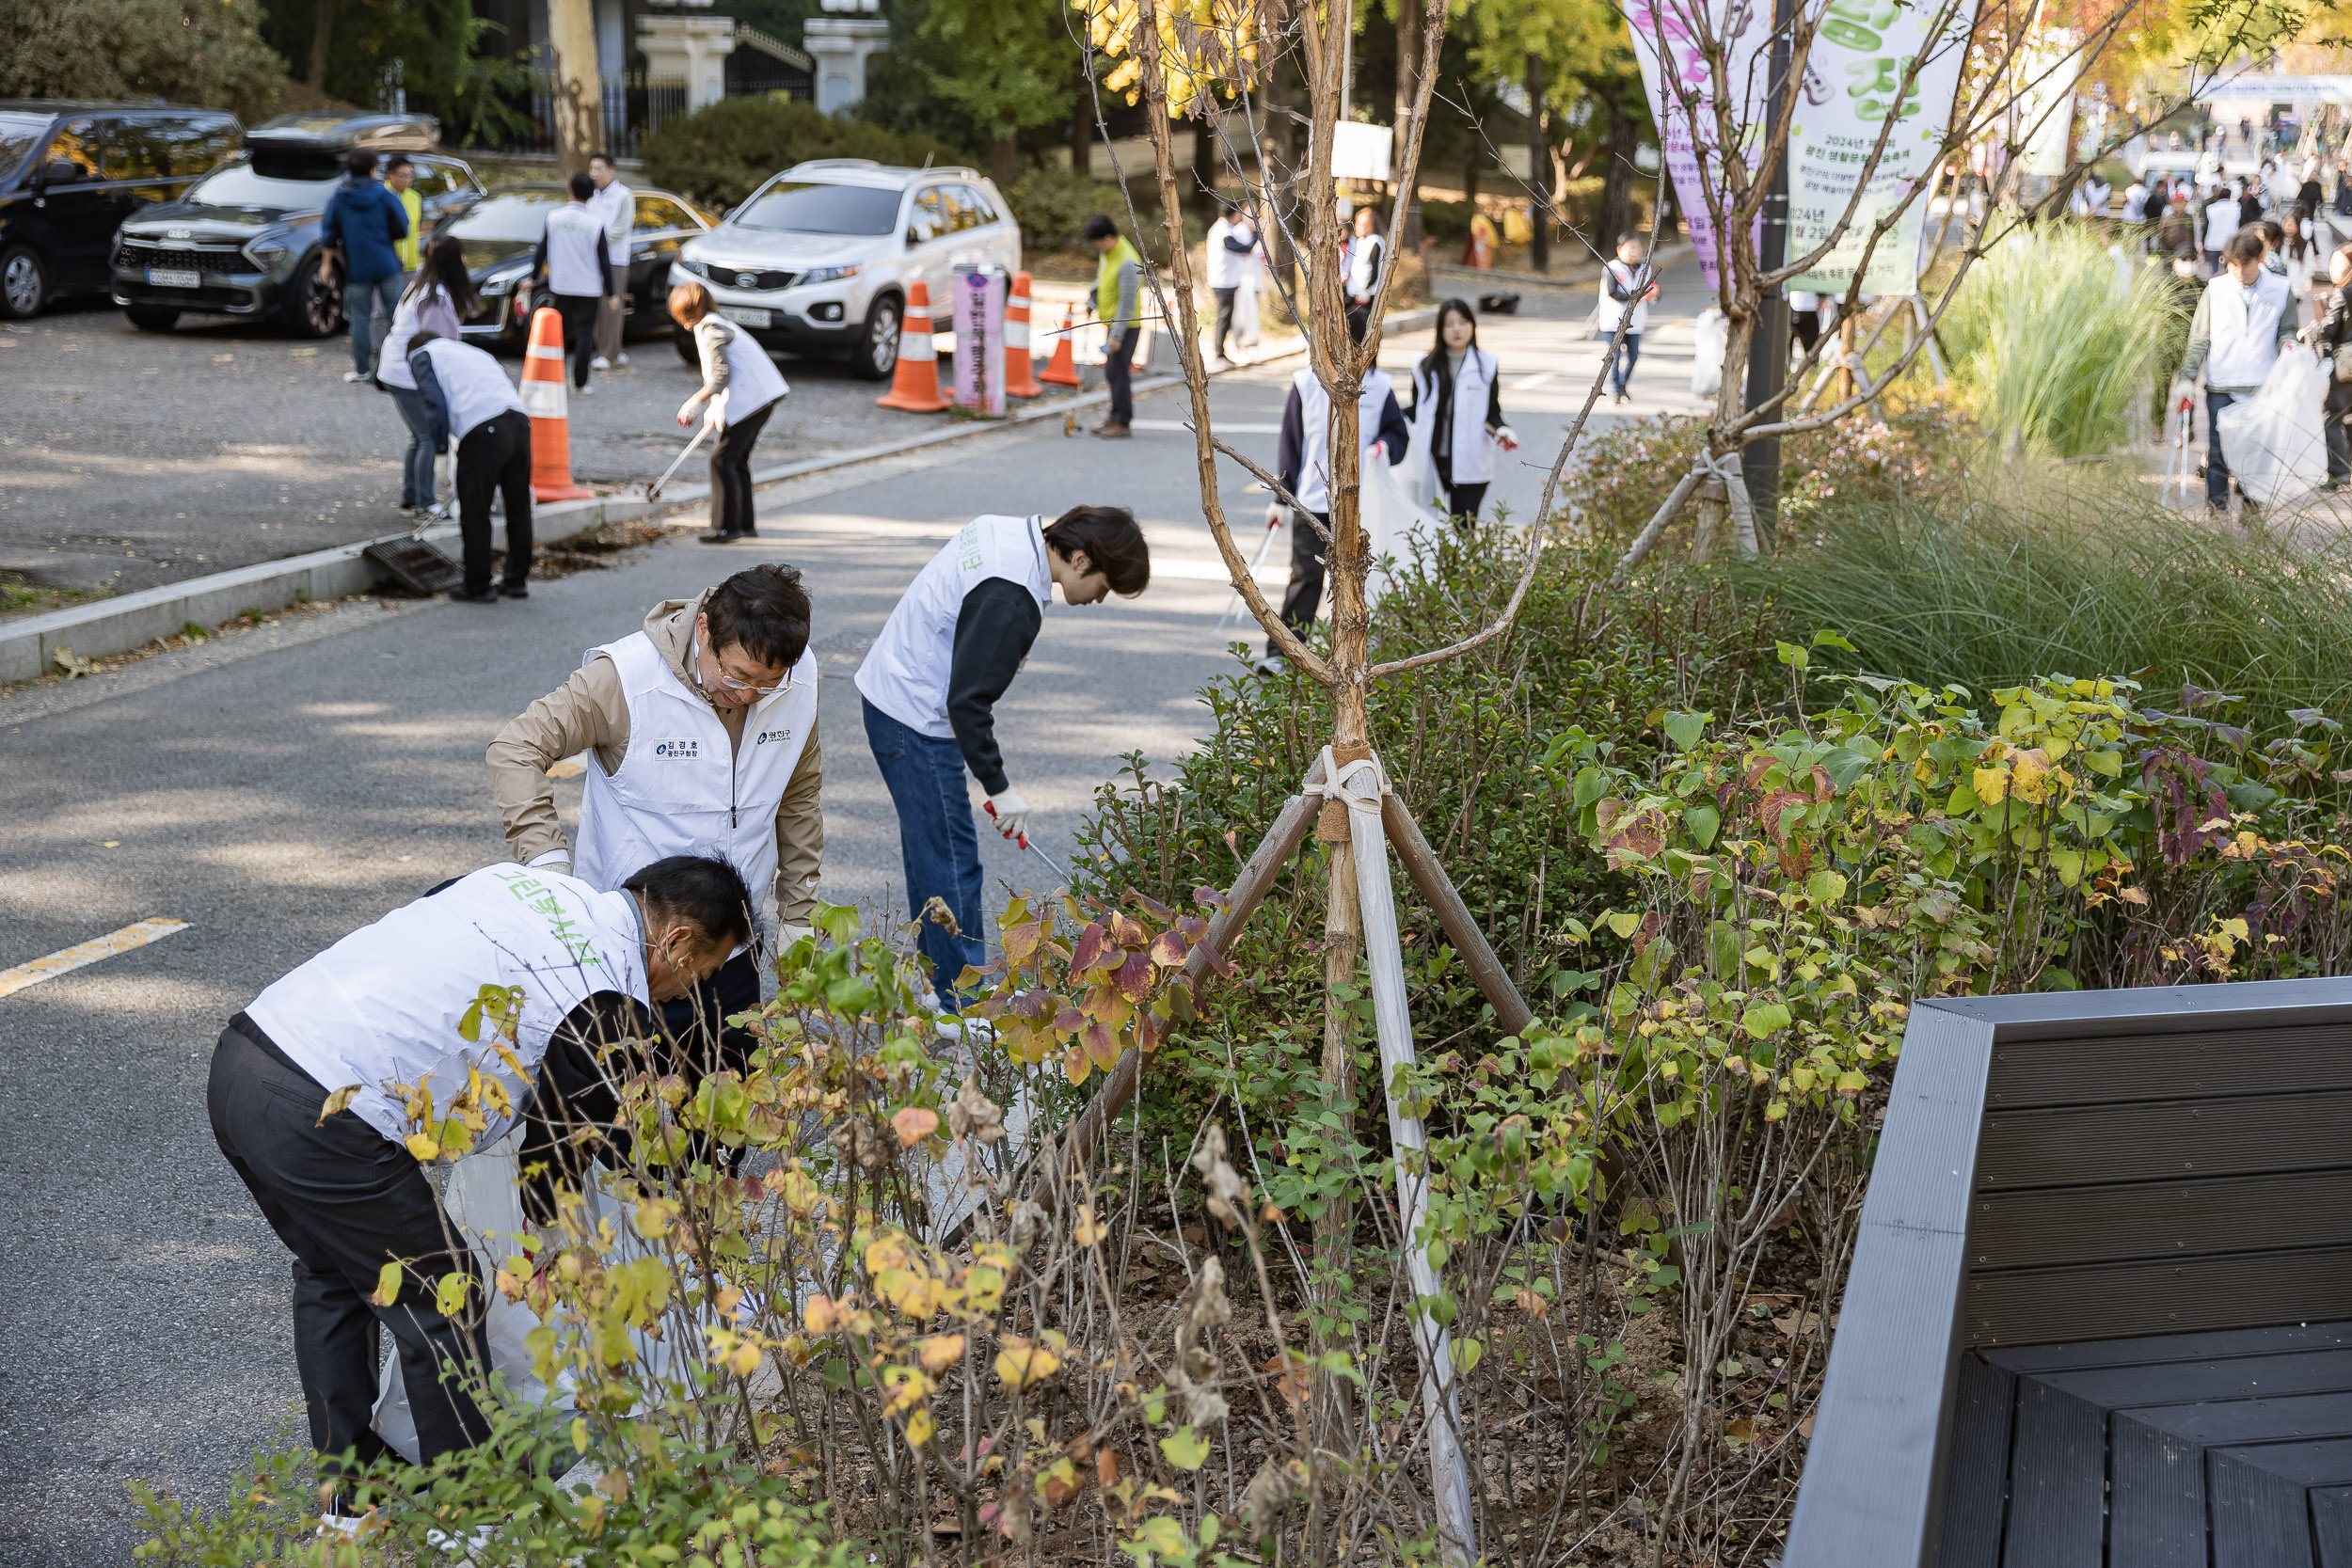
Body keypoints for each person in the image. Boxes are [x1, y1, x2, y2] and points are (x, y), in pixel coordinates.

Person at [206, 854, 747, 1522]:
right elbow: (550, 1159)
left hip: (246, 1058)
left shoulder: (530, 884)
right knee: (445, 1293)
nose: (693, 993)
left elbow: (431, 919)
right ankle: (474, 1521)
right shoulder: (606, 998)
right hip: (324, 1109)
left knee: (337, 1276)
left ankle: (348, 1501)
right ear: (679, 940)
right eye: (707, 971)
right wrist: (551, 1251)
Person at [489, 565, 821, 1079]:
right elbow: (517, 748)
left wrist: (798, 914)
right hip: (632, 954)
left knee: (723, 1126)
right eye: (734, 676)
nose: (749, 695)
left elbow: (797, 797)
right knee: (626, 1132)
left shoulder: (799, 680)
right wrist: (549, 867)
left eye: (767, 684)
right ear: (704, 629)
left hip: (731, 950)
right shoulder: (624, 678)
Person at [854, 508, 1152, 1006]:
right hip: (914, 718)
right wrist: (999, 788)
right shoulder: (1011, 597)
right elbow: (966, 703)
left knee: (932, 858)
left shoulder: (1010, 533)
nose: (1098, 598)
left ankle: (935, 986)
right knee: (953, 866)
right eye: (1103, 586)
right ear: (1080, 559)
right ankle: (959, 1003)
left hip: (894, 693)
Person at [1262, 353, 1411, 669]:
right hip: (1312, 503)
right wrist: (1280, 498)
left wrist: (1384, 447)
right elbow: (1292, 444)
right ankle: (1284, 654)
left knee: (1358, 580)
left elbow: (1398, 435)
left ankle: (1356, 656)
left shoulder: (1379, 385)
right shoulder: (1305, 383)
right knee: (1305, 577)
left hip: (1361, 506)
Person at [2179, 229, 2298, 515]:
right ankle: (2217, 510)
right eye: (2232, 264)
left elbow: (2286, 330)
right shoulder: (2216, 289)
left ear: (2260, 258)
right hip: (2222, 384)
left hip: (2262, 386)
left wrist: (2290, 345)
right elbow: (2200, 338)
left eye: (2244, 264)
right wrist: (2187, 377)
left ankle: (2251, 508)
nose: (2237, 271)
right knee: (2218, 454)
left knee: (2257, 454)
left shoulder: (2280, 289)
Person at [405, 329, 532, 602]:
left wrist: (440, 454)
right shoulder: (472, 352)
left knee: (475, 510)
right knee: (517, 507)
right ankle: (516, 580)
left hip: (483, 429)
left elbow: (434, 404)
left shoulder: (421, 355)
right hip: (519, 423)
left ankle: (477, 585)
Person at [666, 281, 788, 545]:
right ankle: (744, 525)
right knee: (736, 459)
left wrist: (694, 403)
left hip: (752, 399)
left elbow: (720, 376)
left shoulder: (710, 329)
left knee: (721, 459)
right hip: (763, 395)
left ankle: (726, 527)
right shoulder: (718, 322)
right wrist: (715, 406)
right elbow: (724, 376)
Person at [375, 237, 475, 518]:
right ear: (453, 261)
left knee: (418, 437)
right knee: (430, 437)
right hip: (408, 372)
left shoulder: (421, 285)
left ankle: (411, 498)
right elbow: (437, 348)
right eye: (463, 256)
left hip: (395, 367)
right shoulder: (438, 298)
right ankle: (425, 502)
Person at [1409, 299, 1518, 524]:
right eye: (1449, 324)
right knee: (1428, 534)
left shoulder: (1486, 365)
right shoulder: (1423, 365)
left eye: (1463, 322)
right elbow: (1415, 409)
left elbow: (1491, 413)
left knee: (1464, 534)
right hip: (1431, 463)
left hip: (1470, 466)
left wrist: (1502, 430)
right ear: (1440, 329)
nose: (1457, 329)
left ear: (1473, 326)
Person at [320, 149, 409, 384]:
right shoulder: (384, 194)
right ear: (373, 170)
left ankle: (362, 369)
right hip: (387, 265)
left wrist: (326, 264)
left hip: (357, 268)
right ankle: (391, 369)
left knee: (360, 318)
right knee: (395, 317)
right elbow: (402, 227)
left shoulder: (340, 196)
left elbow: (328, 233)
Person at [533, 171, 618, 394]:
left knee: (555, 334)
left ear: (570, 191)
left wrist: (532, 278)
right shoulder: (596, 223)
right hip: (588, 288)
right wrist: (612, 293)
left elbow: (541, 250)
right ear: (591, 195)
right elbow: (604, 262)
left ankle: (550, 380)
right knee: (584, 335)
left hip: (560, 285)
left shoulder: (553, 217)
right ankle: (580, 382)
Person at [1084, 214, 1143, 438]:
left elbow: (1127, 302)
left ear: (1109, 238)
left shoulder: (1128, 261)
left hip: (1127, 326)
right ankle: (1114, 416)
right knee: (1112, 372)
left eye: (1099, 242)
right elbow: (1101, 279)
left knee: (1118, 373)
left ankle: (1122, 421)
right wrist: (1093, 298)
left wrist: (1116, 335)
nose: (1098, 247)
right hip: (1112, 323)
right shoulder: (1108, 254)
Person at [1597, 231, 1660, 403]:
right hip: (1614, 321)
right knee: (1614, 359)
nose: (1634, 252)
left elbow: (1653, 289)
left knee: (1634, 356)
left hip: (1636, 321)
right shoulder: (1612, 268)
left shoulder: (1646, 268)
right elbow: (1613, 293)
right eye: (1630, 248)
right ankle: (1616, 391)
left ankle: (1623, 384)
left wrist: (1654, 295)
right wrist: (1638, 296)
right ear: (1619, 249)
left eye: (1637, 248)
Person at [586, 151, 632, 371]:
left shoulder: (624, 195)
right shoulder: (591, 195)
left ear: (611, 170)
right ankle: (607, 349)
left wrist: (598, 242)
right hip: (591, 258)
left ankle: (609, 352)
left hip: (615, 259)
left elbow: (621, 228)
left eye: (599, 169)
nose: (594, 173)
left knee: (612, 305)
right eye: (592, 169)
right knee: (595, 305)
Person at [1205, 202, 1257, 365]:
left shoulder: (1221, 228)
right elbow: (1243, 249)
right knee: (1224, 316)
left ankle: (1223, 350)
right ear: (1234, 214)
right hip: (1223, 281)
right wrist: (1256, 235)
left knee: (1226, 316)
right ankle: (1219, 353)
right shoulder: (1224, 232)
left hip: (1224, 279)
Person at [1343, 205, 1386, 344]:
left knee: (1364, 335)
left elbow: (1375, 270)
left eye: (1362, 224)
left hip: (1366, 295)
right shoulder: (1360, 241)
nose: (1357, 227)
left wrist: (1365, 290)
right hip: (1354, 294)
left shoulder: (1376, 241)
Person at [385, 154, 422, 277]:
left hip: (411, 266)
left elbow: (415, 229)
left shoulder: (415, 197)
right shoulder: (380, 196)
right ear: (390, 175)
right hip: (388, 265)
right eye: (404, 176)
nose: (408, 180)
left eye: (410, 175)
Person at [2156, 189, 2199, 261]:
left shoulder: (2189, 218)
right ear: (2172, 204)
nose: (2179, 205)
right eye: (2177, 202)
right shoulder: (2167, 219)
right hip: (2170, 253)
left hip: (2186, 253)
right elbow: (2161, 236)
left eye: (2181, 202)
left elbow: (2193, 234)